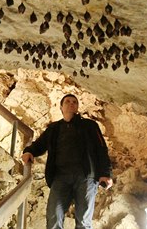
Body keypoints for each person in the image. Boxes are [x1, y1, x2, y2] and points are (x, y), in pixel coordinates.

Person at [22, 94, 113, 229]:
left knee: (83, 221)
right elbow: (40, 144)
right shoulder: (54, 128)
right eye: (67, 101)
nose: (71, 103)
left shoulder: (90, 126)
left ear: (77, 107)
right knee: (53, 215)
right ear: (61, 107)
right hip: (61, 177)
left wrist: (106, 173)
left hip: (86, 177)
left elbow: (101, 149)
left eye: (74, 102)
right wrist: (29, 151)